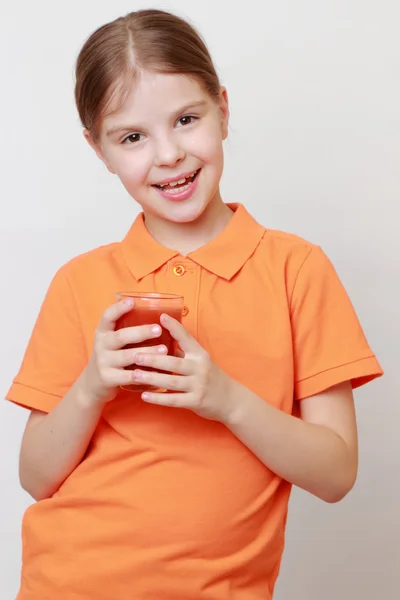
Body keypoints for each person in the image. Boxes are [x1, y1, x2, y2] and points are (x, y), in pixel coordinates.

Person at [6, 8, 383, 600]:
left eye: (186, 119)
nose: (168, 155)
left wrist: (226, 400)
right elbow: (35, 478)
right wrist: (90, 388)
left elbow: (335, 474)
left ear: (223, 110)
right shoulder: (79, 283)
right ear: (98, 150)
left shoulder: (295, 270)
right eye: (132, 137)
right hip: (68, 582)